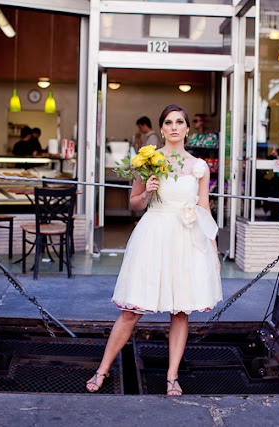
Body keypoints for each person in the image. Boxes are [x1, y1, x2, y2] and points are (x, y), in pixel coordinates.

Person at [86, 104, 222, 396]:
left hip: (187, 239)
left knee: (181, 311)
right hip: (154, 235)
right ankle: (103, 368)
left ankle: (172, 376)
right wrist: (147, 190)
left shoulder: (199, 167)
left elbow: (203, 208)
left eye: (180, 122)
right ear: (162, 128)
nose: (174, 127)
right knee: (132, 309)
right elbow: (134, 202)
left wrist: (212, 246)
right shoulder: (148, 160)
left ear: (187, 129)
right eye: (169, 122)